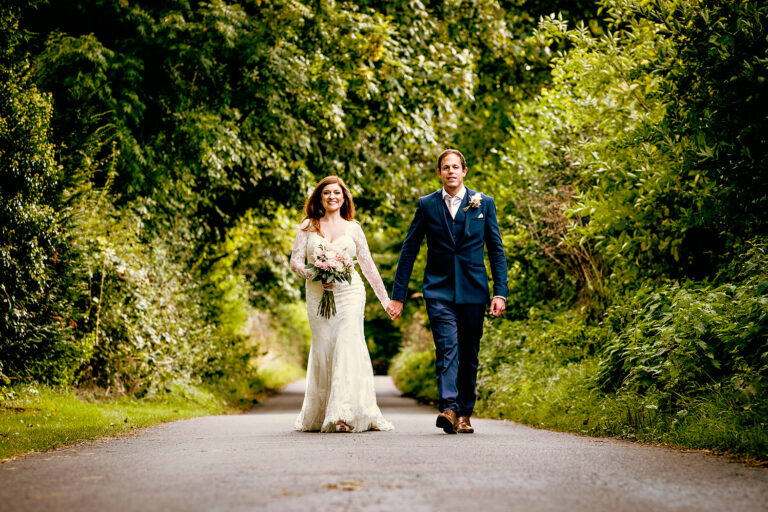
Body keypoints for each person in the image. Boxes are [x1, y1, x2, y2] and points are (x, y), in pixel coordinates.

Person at [386, 149, 508, 434]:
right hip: (438, 290)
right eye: (445, 167)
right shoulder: (426, 205)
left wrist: (499, 292)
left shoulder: (483, 203)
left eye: (456, 167)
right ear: (439, 173)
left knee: (469, 352)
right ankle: (449, 409)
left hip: (474, 290)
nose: (451, 171)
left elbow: (496, 251)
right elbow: (409, 250)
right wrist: (398, 295)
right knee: (447, 348)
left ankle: (465, 413)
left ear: (464, 171)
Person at [290, 175, 394, 433]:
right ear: (320, 198)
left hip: (350, 293)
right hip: (317, 294)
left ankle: (343, 413)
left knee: (347, 345)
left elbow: (368, 267)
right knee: (324, 346)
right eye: (327, 193)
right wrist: (315, 274)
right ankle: (322, 410)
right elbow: (295, 262)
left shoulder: (353, 228)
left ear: (344, 197)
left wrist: (386, 301)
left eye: (337, 193)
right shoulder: (307, 226)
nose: (332, 197)